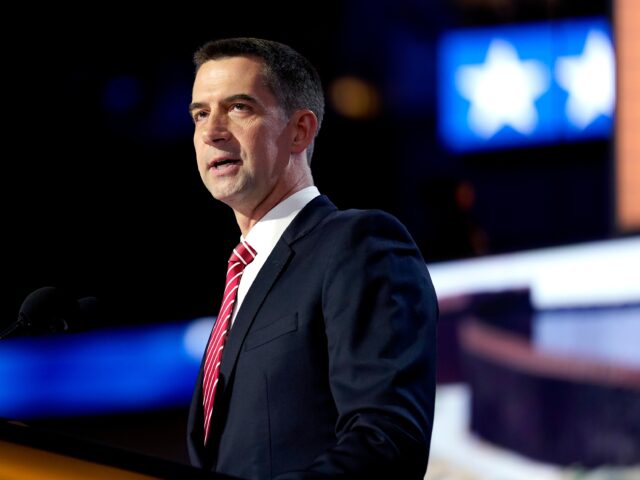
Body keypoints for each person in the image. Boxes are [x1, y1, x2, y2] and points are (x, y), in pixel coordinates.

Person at [186, 37, 438, 480]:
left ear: (300, 130)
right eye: (201, 113)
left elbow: (387, 441)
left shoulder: (358, 244)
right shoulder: (242, 281)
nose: (212, 131)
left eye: (239, 107)